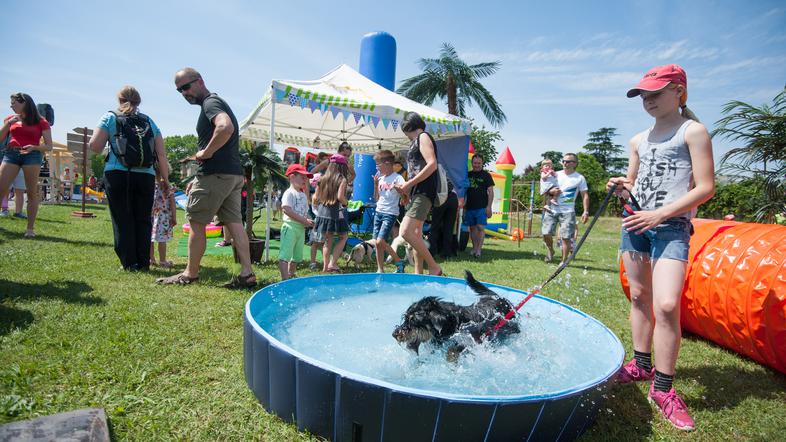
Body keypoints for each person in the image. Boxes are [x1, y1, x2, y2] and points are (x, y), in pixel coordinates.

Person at [608, 64, 714, 431]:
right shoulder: (638, 140)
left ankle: (664, 388)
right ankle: (640, 364)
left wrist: (660, 215)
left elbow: (705, 188)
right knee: (639, 296)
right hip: (636, 224)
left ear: (680, 92)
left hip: (671, 227)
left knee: (666, 304)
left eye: (656, 94)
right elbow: (635, 184)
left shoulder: (693, 132)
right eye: (644, 96)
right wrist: (624, 187)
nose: (648, 101)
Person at [158, 67, 255, 287]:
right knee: (235, 224)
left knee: (196, 222)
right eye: (179, 90)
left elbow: (225, 127)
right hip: (232, 175)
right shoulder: (215, 102)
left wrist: (206, 153)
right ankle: (247, 274)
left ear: (200, 81)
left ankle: (190, 273)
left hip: (216, 175)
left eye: (186, 86)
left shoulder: (210, 103)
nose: (184, 93)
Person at [88, 86, 169, 271]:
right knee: (143, 218)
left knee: (122, 218)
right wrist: (165, 180)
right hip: (146, 175)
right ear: (139, 102)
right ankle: (143, 262)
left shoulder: (110, 117)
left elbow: (95, 146)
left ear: (119, 100)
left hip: (117, 173)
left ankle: (129, 262)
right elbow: (161, 155)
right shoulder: (149, 121)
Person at [394, 112, 443, 276]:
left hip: (424, 191)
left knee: (405, 232)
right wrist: (407, 191)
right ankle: (418, 272)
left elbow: (432, 165)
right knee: (416, 235)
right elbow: (416, 170)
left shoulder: (423, 137)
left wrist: (408, 184)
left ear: (408, 127)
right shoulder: (417, 140)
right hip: (417, 192)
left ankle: (434, 267)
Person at [0, 93, 53, 237]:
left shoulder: (41, 121)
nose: (11, 106)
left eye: (14, 103)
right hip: (11, 154)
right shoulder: (9, 119)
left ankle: (30, 229)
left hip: (32, 155)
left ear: (24, 103)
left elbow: (49, 146)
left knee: (31, 192)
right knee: (1, 187)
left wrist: (34, 147)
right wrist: (9, 123)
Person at [541, 153, 589, 265]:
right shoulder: (555, 174)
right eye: (563, 161)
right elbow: (544, 188)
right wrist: (550, 192)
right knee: (545, 233)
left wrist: (585, 211)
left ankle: (563, 262)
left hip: (568, 211)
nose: (565, 163)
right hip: (552, 209)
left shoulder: (579, 178)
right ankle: (551, 250)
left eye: (568, 161)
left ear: (575, 164)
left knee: (566, 237)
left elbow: (585, 195)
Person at [312, 154, 350, 273]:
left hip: (322, 213)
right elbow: (340, 197)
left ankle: (325, 267)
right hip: (335, 214)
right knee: (343, 237)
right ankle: (332, 264)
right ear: (342, 167)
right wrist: (346, 203)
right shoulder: (342, 179)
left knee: (328, 241)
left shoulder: (322, 178)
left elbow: (315, 198)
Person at [371, 150, 406, 273]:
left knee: (381, 241)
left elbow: (405, 196)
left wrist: (399, 189)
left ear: (386, 164)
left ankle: (398, 260)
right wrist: (375, 184)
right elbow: (376, 198)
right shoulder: (380, 178)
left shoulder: (398, 178)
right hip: (379, 211)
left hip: (390, 213)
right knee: (377, 243)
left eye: (378, 165)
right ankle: (380, 269)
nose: (376, 168)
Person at [278, 164, 314, 280]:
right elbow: (286, 210)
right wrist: (304, 220)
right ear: (292, 177)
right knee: (285, 255)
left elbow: (304, 211)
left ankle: (291, 274)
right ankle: (285, 279)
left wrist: (307, 220)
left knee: (297, 256)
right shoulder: (289, 193)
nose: (305, 180)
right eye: (302, 177)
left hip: (300, 228)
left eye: (306, 178)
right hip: (290, 227)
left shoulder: (302, 194)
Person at [465, 154, 495, 258]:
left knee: (480, 227)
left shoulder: (486, 175)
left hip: (482, 206)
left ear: (482, 163)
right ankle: (474, 248)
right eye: (475, 163)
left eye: (479, 163)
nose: (476, 165)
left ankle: (478, 250)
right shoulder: (467, 175)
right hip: (469, 206)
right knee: (472, 228)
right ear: (472, 163)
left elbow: (491, 192)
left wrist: (489, 206)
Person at [150, 170, 177, 268]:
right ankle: (162, 261)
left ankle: (151, 259)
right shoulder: (168, 187)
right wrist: (174, 217)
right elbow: (173, 204)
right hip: (164, 217)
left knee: (150, 239)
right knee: (162, 240)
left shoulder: (150, 185)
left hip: (151, 216)